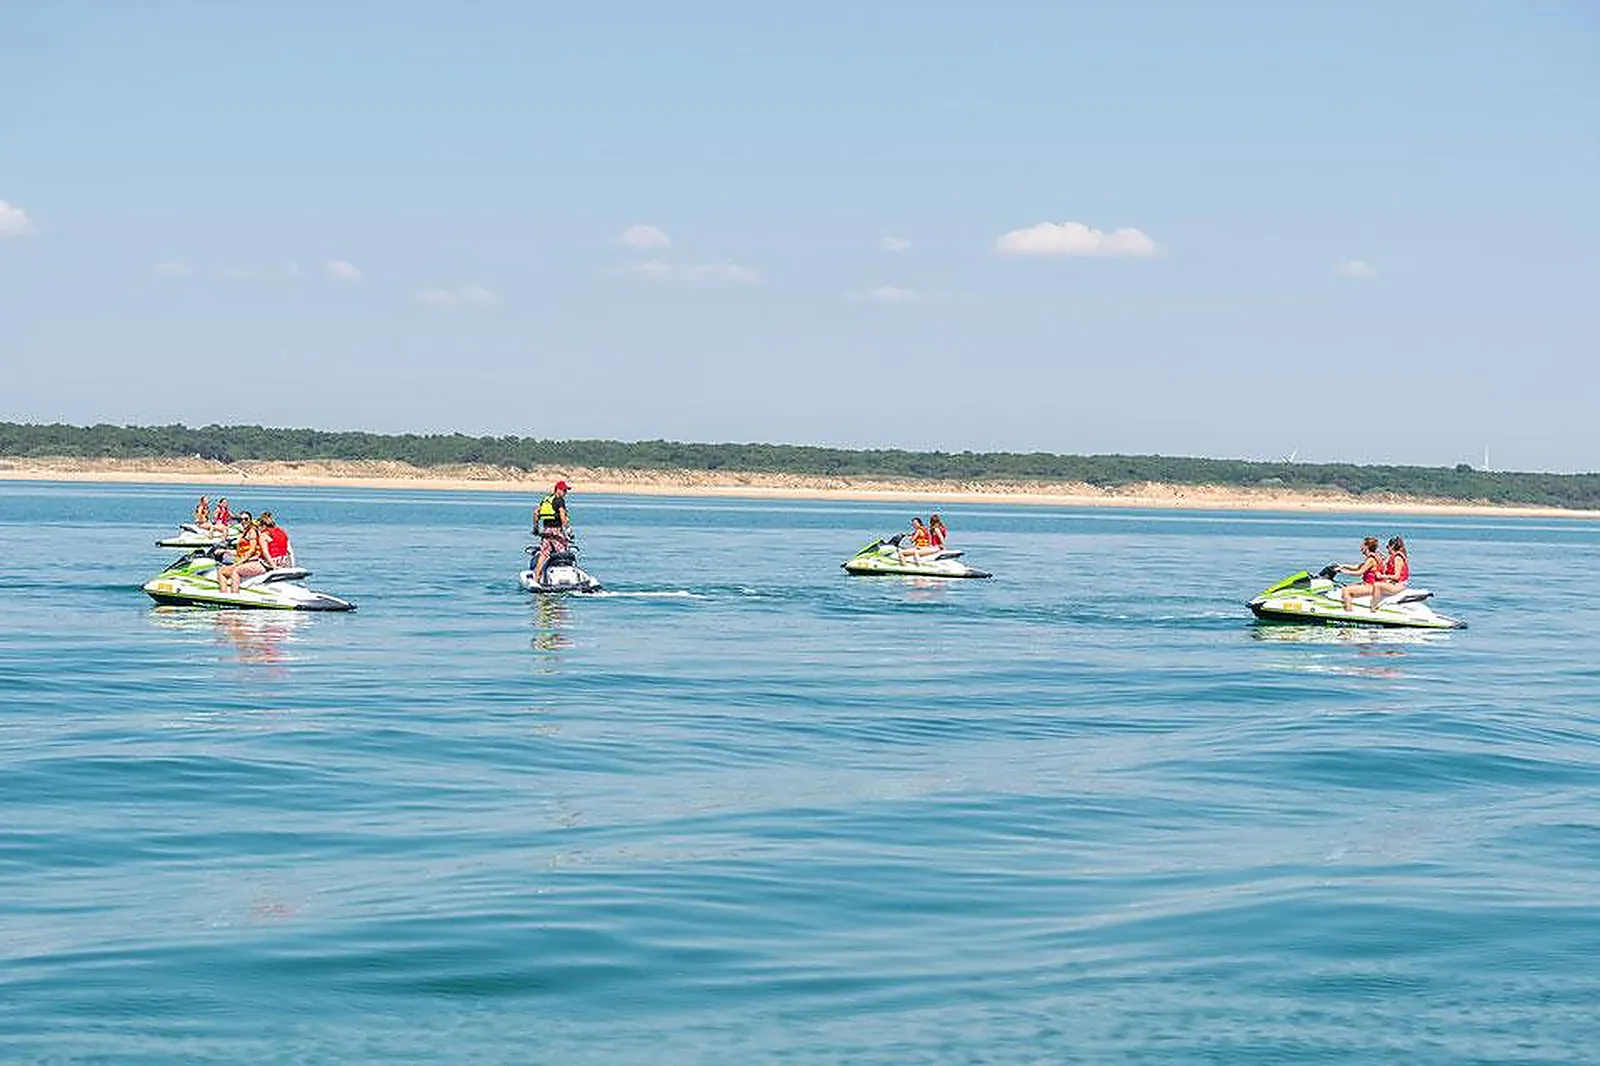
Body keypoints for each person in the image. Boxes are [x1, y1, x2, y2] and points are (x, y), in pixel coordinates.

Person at [532, 480, 573, 585]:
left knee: (543, 555)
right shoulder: (559, 500)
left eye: (566, 491)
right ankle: (566, 580)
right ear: (557, 490)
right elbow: (563, 517)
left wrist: (536, 528)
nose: (565, 493)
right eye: (564, 490)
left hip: (546, 532)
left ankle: (536, 579)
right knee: (563, 554)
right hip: (556, 532)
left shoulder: (546, 500)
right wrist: (567, 531)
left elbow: (536, 513)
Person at [218, 517, 267, 594]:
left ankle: (226, 596)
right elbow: (240, 552)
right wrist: (225, 551)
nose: (243, 521)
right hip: (244, 560)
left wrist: (239, 563)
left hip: (249, 561)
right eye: (241, 520)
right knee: (223, 567)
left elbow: (251, 550)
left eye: (246, 519)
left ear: (250, 520)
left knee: (222, 572)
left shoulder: (252, 531)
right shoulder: (246, 532)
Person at [1338, 536, 1384, 610]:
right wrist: (1342, 566)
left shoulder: (1371, 560)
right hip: (1371, 585)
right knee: (1345, 586)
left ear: (1366, 547)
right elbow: (1357, 567)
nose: (1360, 548)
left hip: (1371, 587)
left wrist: (1343, 571)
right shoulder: (1375, 556)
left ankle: (1348, 612)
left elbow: (1359, 572)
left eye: (1362, 545)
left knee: (1346, 590)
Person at [1365, 536, 1410, 610]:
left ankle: (1373, 608)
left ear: (1391, 547)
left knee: (1377, 585)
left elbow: (1397, 576)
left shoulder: (1397, 558)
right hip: (1393, 583)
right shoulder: (1393, 557)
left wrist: (1382, 576)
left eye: (1387, 547)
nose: (1387, 549)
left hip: (1399, 585)